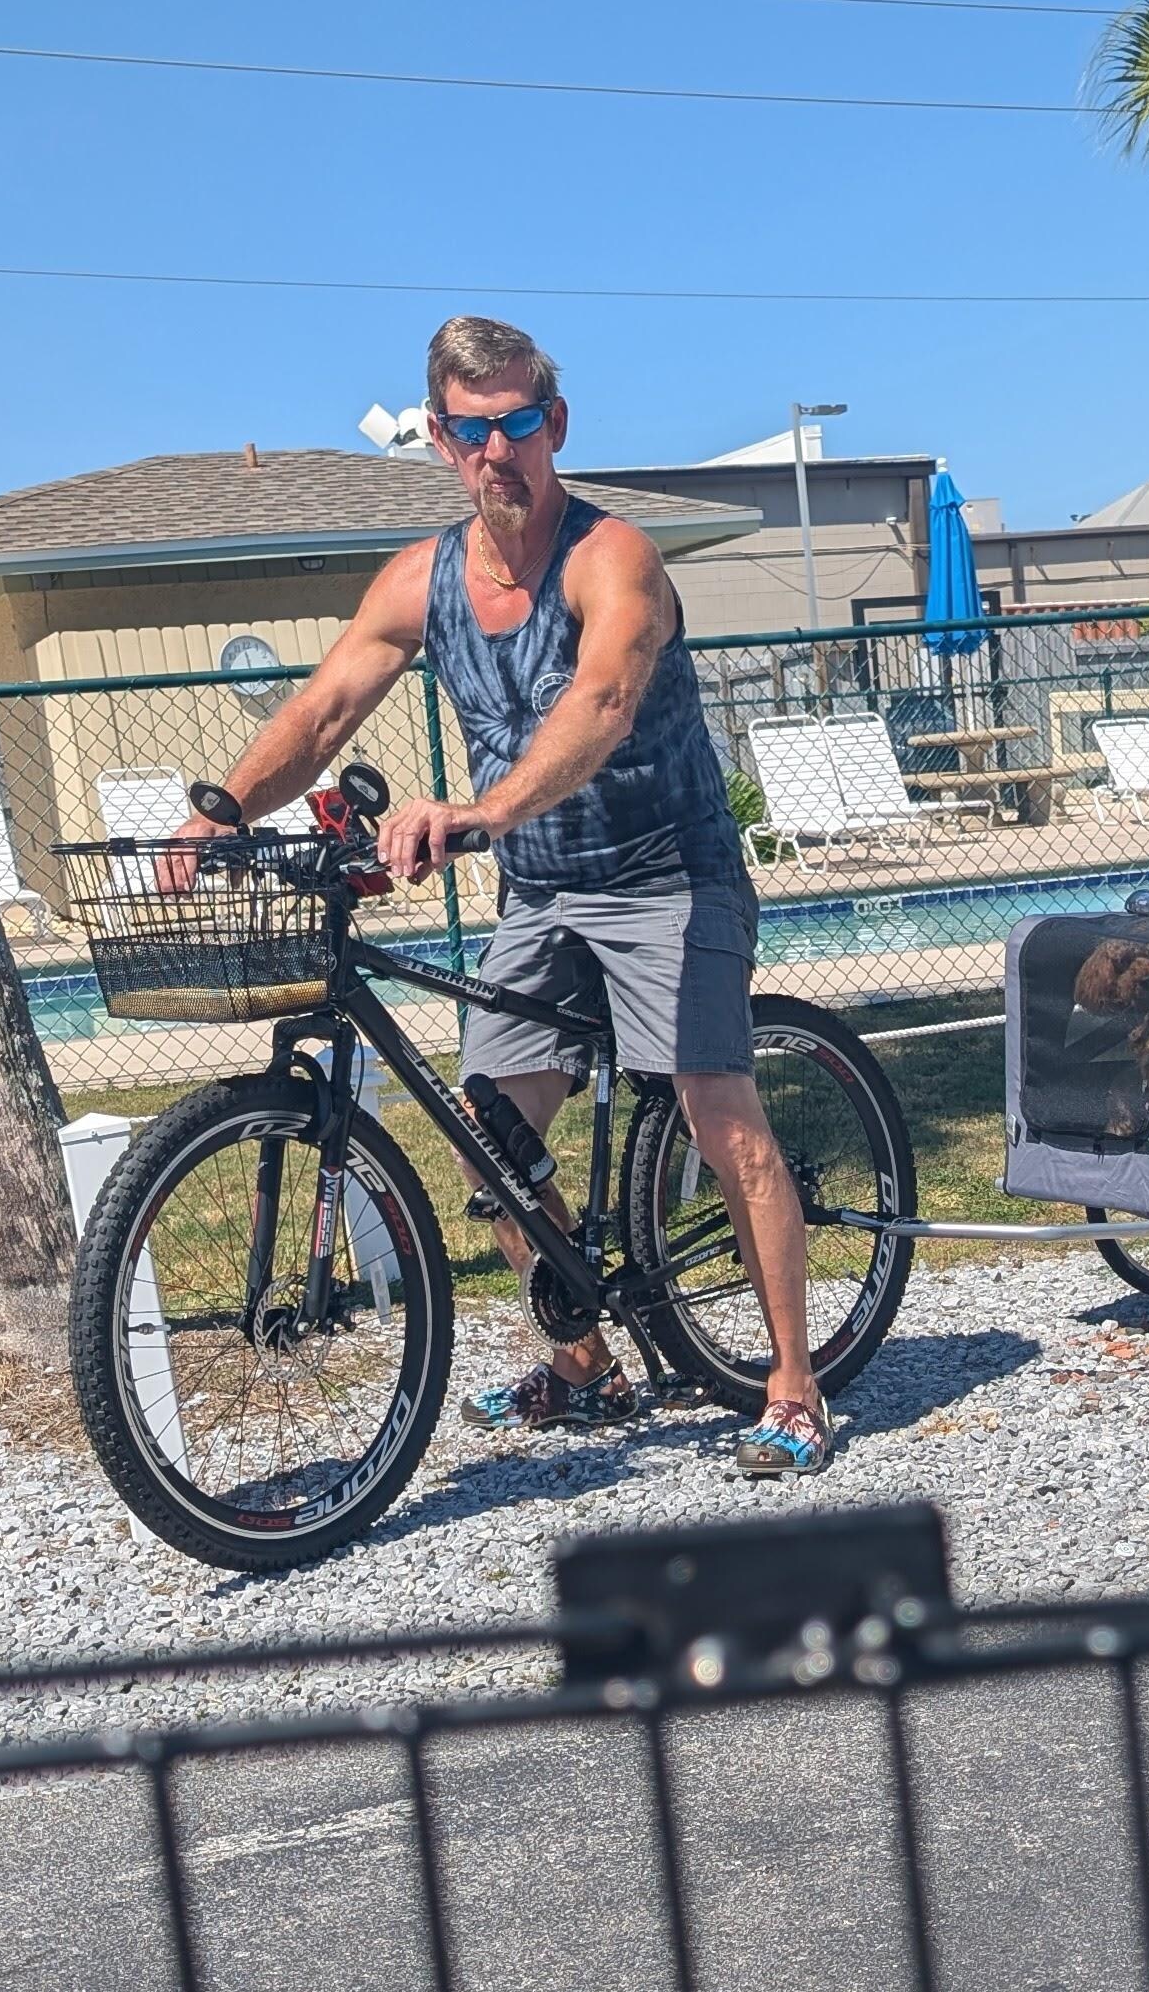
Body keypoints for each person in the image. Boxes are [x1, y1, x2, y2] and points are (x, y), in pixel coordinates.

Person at [171, 315, 832, 1476]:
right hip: (543, 893)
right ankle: (587, 1367)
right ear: (439, 439)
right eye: (474, 431)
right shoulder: (421, 581)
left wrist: (482, 813)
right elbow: (323, 713)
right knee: (487, 1135)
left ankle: (793, 1386)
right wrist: (220, 812)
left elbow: (604, 703)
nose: (499, 451)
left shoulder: (611, 556)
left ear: (554, 425)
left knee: (717, 1106)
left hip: (668, 876)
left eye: (519, 423)